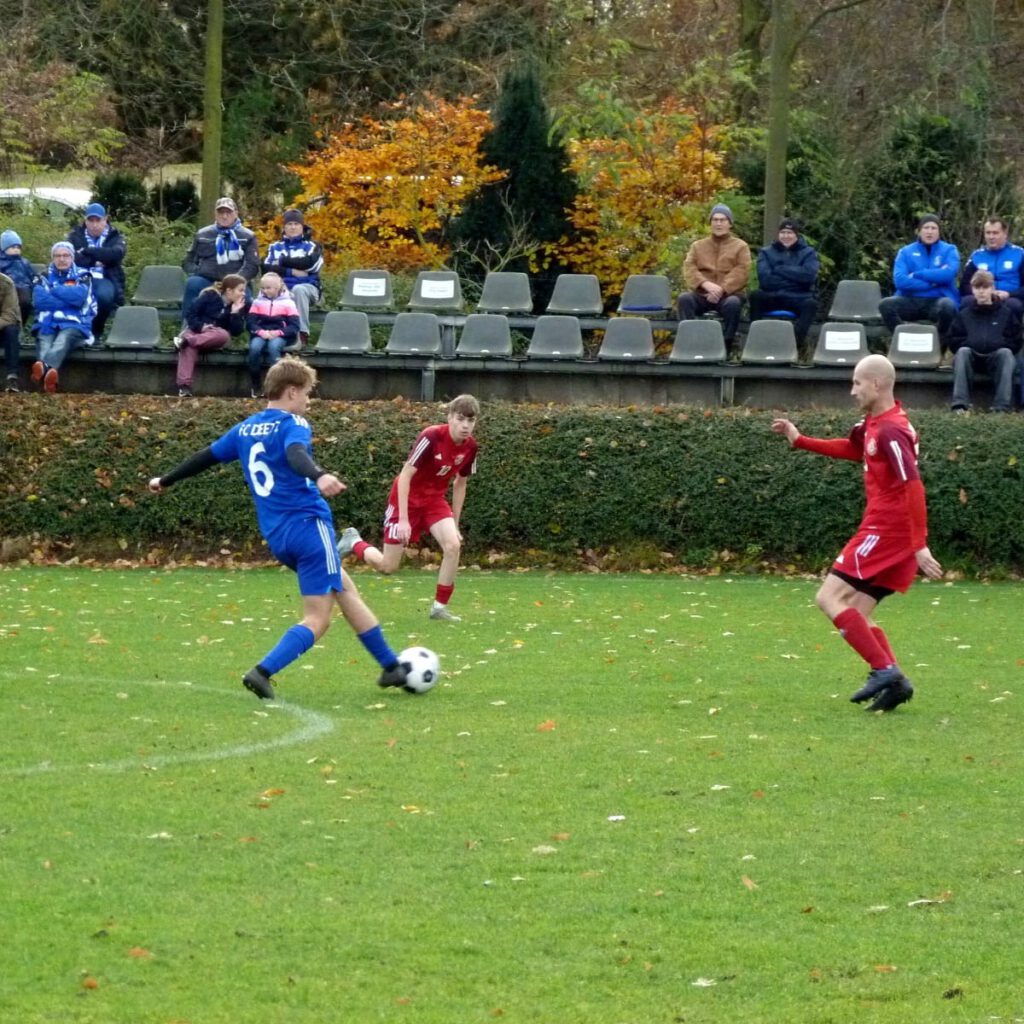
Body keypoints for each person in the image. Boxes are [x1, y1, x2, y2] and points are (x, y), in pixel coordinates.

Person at [147, 356, 410, 701]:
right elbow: (295, 453)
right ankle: (262, 671)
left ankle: (391, 666)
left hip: (278, 536)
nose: (308, 401)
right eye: (307, 393)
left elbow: (205, 457)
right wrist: (319, 475)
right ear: (291, 391)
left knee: (345, 589)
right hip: (308, 527)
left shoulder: (245, 429)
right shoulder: (293, 423)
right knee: (318, 618)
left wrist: (165, 480)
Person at [770, 354, 943, 712]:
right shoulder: (874, 424)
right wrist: (800, 440)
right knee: (858, 611)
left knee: (828, 597)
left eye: (857, 383)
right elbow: (854, 449)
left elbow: (913, 485)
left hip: (887, 529)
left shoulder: (892, 430)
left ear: (876, 384)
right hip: (892, 530)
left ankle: (884, 670)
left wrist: (919, 545)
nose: (852, 391)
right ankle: (896, 682)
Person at [337, 394, 480, 623]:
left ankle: (439, 608)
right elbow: (405, 475)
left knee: (453, 545)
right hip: (405, 500)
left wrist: (455, 523)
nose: (465, 425)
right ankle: (354, 542)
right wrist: (403, 519)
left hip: (433, 501)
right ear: (450, 418)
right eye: (460, 419)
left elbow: (460, 483)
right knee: (388, 567)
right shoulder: (432, 436)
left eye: (470, 421)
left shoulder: (471, 447)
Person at [677, 203, 751, 357]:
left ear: (730, 223)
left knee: (733, 304)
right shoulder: (697, 246)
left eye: (723, 220)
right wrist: (705, 284)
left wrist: (722, 289)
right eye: (715, 220)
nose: (718, 223)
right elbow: (689, 267)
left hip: (729, 294)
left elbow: (742, 271)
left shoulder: (741, 246)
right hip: (702, 293)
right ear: (710, 223)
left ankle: (726, 346)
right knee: (684, 299)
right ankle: (691, 343)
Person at [878, 214, 959, 353]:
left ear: (939, 231)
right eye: (926, 227)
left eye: (934, 228)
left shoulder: (949, 250)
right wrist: (933, 282)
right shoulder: (905, 252)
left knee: (948, 307)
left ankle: (937, 348)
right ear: (919, 230)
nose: (929, 231)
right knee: (885, 305)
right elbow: (900, 281)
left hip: (937, 301)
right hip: (909, 299)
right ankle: (906, 341)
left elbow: (947, 275)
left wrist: (917, 274)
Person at [180, 196, 259, 330]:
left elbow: (252, 266)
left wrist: (234, 282)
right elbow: (188, 261)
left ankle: (252, 334)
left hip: (236, 283)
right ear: (215, 214)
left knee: (247, 299)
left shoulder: (248, 236)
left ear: (236, 213)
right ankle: (187, 329)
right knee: (192, 283)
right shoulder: (202, 234)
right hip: (207, 280)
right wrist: (198, 271)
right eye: (221, 212)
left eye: (228, 212)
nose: (224, 216)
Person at [948, 270, 1021, 414]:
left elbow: (1016, 340)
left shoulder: (1006, 313)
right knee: (962, 352)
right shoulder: (964, 314)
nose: (981, 291)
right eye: (977, 287)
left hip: (996, 358)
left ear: (992, 288)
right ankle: (960, 405)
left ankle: (1001, 407)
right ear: (972, 290)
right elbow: (953, 340)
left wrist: (1000, 343)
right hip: (971, 358)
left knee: (1006, 354)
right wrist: (969, 343)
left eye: (985, 287)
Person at [30, 241, 96, 393]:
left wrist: (54, 289)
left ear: (72, 258)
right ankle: (49, 376)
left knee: (63, 339)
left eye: (66, 255)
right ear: (53, 258)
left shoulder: (83, 275)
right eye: (57, 256)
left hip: (76, 323)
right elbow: (40, 301)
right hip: (47, 322)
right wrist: (67, 300)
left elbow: (79, 298)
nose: (62, 259)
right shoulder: (43, 276)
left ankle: (44, 367)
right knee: (45, 341)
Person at [748, 217, 819, 350]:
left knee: (811, 304)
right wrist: (794, 279)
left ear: (796, 234)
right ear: (778, 234)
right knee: (756, 296)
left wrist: (779, 269)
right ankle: (757, 341)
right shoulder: (766, 252)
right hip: (772, 295)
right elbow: (765, 280)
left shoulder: (809, 253)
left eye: (789, 233)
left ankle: (795, 344)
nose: (786, 236)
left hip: (798, 297)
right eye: (783, 232)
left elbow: (808, 277)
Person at [173, 273, 248, 398]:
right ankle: (184, 386)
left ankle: (186, 341)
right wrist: (201, 327)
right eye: (240, 290)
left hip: (215, 338)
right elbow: (191, 314)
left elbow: (236, 332)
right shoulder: (210, 296)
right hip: (198, 332)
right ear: (229, 290)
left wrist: (235, 313)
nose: (243, 294)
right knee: (189, 347)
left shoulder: (238, 306)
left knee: (223, 335)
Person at [261, 209, 323, 346]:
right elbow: (265, 268)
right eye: (289, 224)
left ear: (302, 226)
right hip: (282, 288)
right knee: (267, 290)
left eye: (296, 224)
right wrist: (292, 271)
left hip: (309, 288)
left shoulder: (313, 246)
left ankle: (301, 335)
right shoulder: (274, 247)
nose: (293, 227)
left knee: (298, 290)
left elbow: (312, 265)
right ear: (284, 227)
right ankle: (262, 335)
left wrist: (282, 261)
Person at [67, 202, 126, 337]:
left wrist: (87, 251)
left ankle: (96, 332)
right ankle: (76, 332)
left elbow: (115, 255)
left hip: (106, 277)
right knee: (69, 295)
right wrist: (97, 260)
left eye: (98, 220)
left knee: (104, 297)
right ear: (85, 221)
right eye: (91, 220)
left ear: (105, 220)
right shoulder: (75, 236)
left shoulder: (115, 236)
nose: (94, 224)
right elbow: (71, 258)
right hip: (80, 277)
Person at [246, 272, 300, 398]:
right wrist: (261, 332)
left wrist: (278, 333)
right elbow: (250, 323)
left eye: (268, 288)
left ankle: (275, 385)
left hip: (280, 334)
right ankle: (256, 384)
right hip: (261, 333)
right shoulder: (257, 303)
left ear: (277, 288)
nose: (265, 291)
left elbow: (294, 326)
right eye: (263, 288)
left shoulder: (288, 303)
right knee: (254, 348)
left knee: (273, 347)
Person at [959, 217, 1024, 319]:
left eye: (995, 233)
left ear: (1005, 234)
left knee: (1014, 305)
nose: (991, 237)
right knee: (966, 302)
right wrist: (982, 293)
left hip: (1009, 297)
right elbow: (965, 285)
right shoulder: (977, 256)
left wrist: (1009, 294)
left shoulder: (1019, 254)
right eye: (988, 233)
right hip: (981, 297)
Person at [0, 229, 37, 326]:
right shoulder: (2, 262)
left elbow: (32, 275)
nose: (16, 249)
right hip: (9, 289)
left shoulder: (24, 262)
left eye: (18, 247)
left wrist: (35, 282)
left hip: (25, 287)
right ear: (4, 248)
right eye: (13, 247)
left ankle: (21, 323)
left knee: (26, 301)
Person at [1, 271, 21, 391]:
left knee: (11, 330)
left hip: (2, 327)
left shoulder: (6, 283)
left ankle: (12, 378)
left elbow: (9, 316)